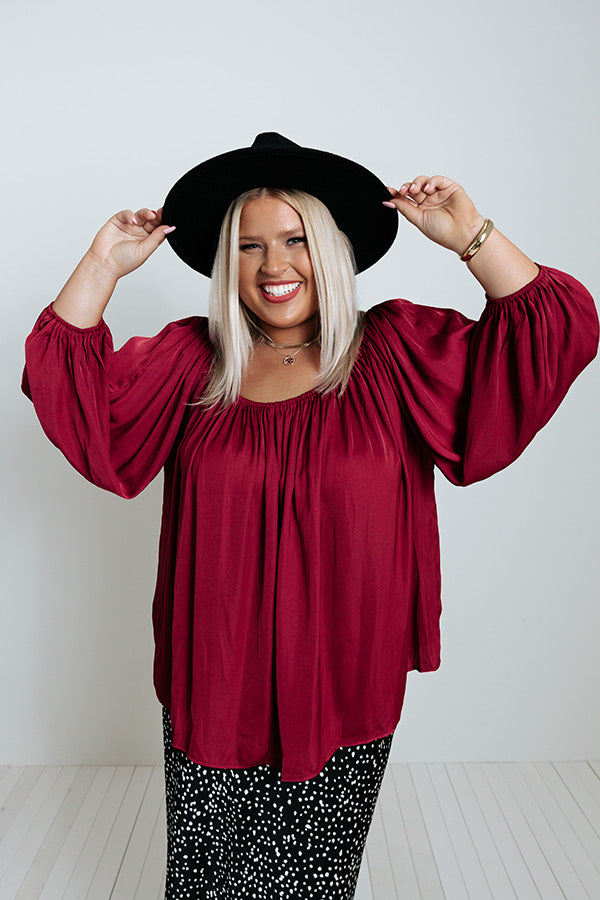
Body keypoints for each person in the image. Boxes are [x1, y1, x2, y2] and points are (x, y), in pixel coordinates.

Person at [22, 132, 598, 900]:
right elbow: (72, 397)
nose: (274, 265)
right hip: (216, 679)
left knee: (315, 883)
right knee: (209, 882)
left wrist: (471, 235)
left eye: (295, 239)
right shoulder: (193, 361)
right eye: (250, 245)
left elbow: (554, 330)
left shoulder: (394, 352)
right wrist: (101, 265)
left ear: (330, 248)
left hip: (346, 679)